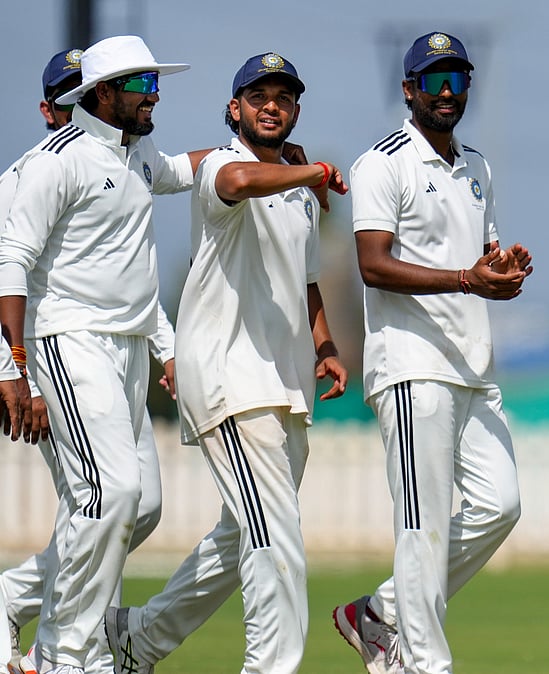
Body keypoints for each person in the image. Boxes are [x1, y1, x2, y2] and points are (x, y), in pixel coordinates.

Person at [103, 51, 349, 674]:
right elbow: (239, 184)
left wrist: (324, 346)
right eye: (258, 96)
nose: (272, 106)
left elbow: (307, 281)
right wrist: (315, 171)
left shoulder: (299, 192)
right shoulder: (222, 163)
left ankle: (139, 638)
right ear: (234, 110)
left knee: (243, 533)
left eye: (284, 98)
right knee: (277, 540)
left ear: (296, 112)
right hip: (230, 379)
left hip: (286, 384)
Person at [331, 30, 531, 674]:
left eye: (458, 80)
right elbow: (373, 265)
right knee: (423, 528)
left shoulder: (477, 167)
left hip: (472, 364)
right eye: (434, 81)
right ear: (408, 90)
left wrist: (500, 268)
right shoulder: (381, 163)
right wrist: (468, 279)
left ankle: (379, 613)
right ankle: (424, 664)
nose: (447, 92)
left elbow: (481, 256)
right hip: (412, 365)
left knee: (500, 505)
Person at [0, 36, 201, 674]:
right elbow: (10, 263)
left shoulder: (138, 156)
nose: (154, 96)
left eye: (154, 83)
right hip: (70, 341)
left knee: (136, 504)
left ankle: (17, 605)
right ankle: (67, 655)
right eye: (141, 84)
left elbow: (187, 172)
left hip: (128, 348)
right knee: (107, 493)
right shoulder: (50, 163)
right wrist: (14, 368)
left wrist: (269, 156)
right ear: (103, 93)